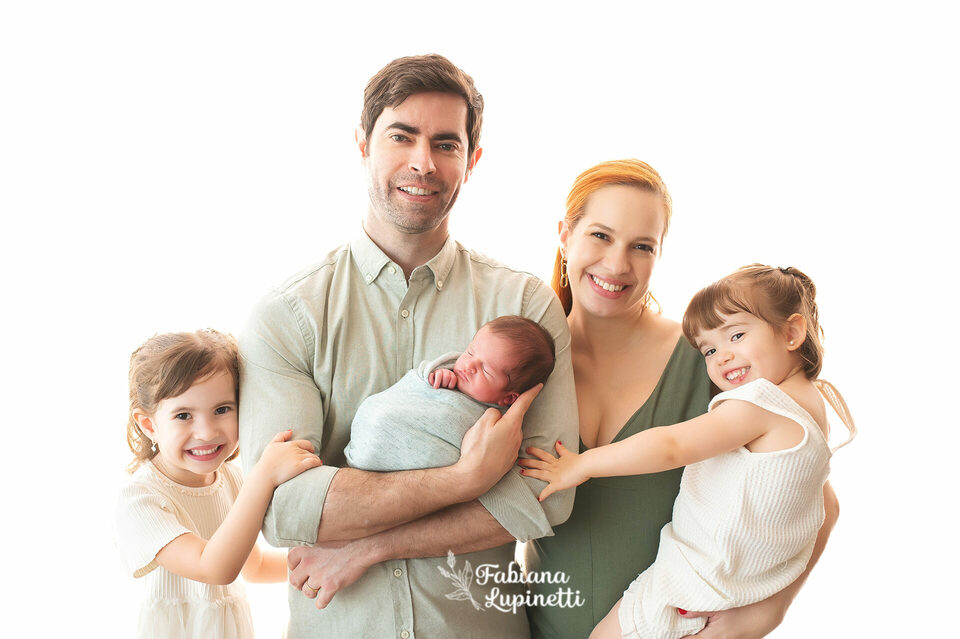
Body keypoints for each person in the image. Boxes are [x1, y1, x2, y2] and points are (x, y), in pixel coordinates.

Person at [238, 54, 578, 638]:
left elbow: (547, 494)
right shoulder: (287, 316)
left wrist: (368, 544)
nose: (424, 162)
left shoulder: (526, 307)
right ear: (363, 144)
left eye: (446, 144)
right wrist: (464, 480)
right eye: (402, 136)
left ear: (471, 161)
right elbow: (283, 509)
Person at [524, 160, 842, 639]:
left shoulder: (713, 363)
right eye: (601, 236)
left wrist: (768, 612)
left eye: (642, 246)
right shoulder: (521, 359)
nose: (617, 264)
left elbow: (816, 500)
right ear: (565, 237)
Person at [115, 329, 322, 639]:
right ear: (149, 424)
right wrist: (264, 475)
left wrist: (318, 563)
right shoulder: (140, 499)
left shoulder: (231, 478)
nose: (206, 432)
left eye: (222, 410)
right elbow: (213, 568)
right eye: (183, 415)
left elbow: (254, 566)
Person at [345, 315, 556, 472]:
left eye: (486, 370)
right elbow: (416, 386)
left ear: (508, 398)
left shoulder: (499, 424)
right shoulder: (447, 375)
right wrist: (436, 375)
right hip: (377, 426)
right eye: (470, 352)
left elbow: (487, 455)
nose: (469, 365)